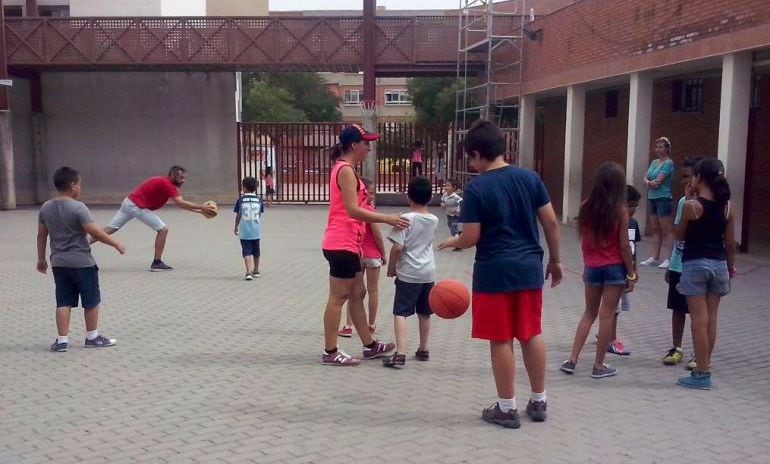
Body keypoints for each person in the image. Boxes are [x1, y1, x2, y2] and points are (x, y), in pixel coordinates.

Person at [438, 120, 563, 429]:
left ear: (478, 154)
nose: (470, 164)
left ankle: (507, 408)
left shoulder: (477, 188)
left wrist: (454, 242)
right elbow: (550, 222)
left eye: (470, 158)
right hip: (529, 267)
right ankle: (539, 400)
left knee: (501, 338)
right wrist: (556, 260)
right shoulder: (529, 178)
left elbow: (470, 237)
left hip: (494, 271)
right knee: (531, 333)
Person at [321, 123, 408, 366]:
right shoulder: (345, 170)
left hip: (349, 243)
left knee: (358, 293)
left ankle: (370, 346)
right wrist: (387, 218)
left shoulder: (346, 169)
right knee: (338, 298)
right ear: (353, 145)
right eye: (366, 143)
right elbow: (352, 210)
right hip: (341, 243)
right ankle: (330, 351)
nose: (369, 148)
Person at [37, 167, 126, 352]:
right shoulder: (78, 208)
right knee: (91, 300)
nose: (80, 188)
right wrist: (115, 243)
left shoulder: (45, 207)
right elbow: (93, 231)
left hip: (59, 262)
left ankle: (62, 341)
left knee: (63, 301)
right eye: (79, 184)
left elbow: (41, 235)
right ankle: (92, 337)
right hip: (82, 262)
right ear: (72, 185)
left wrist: (41, 258)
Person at [560, 162, 636, 380]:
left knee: (588, 313)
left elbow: (585, 241)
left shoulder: (586, 206)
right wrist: (630, 272)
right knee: (607, 315)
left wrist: (587, 265)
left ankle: (572, 359)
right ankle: (599, 365)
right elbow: (624, 245)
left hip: (592, 267)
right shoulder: (620, 210)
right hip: (613, 267)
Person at [675, 158, 735, 390]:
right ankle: (705, 364)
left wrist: (689, 199)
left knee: (699, 321)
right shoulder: (728, 206)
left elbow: (680, 235)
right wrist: (730, 268)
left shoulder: (692, 206)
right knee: (712, 319)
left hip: (695, 263)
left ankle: (701, 373)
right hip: (719, 264)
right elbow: (730, 243)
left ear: (699, 178)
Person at [98, 166, 216, 271]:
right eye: (181, 178)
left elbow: (180, 205)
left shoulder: (165, 182)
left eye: (184, 178)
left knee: (110, 229)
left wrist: (201, 211)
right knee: (163, 229)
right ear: (173, 176)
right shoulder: (167, 184)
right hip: (137, 206)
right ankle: (157, 262)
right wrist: (202, 207)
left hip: (129, 203)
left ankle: (83, 243)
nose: (183, 180)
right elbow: (181, 203)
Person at [382, 176, 438, 368]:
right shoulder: (434, 219)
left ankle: (400, 353)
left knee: (401, 312)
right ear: (430, 198)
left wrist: (391, 269)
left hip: (409, 272)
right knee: (425, 312)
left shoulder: (405, 219)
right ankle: (423, 349)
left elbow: (397, 248)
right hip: (428, 271)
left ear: (409, 197)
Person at [661, 156, 702, 367]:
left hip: (697, 265)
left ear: (698, 177)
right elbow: (678, 234)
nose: (684, 182)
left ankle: (700, 353)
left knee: (697, 312)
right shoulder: (681, 202)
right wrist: (670, 264)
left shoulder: (708, 203)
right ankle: (676, 347)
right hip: (679, 264)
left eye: (687, 177)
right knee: (678, 309)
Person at [338, 178, 387, 337]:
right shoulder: (368, 211)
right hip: (372, 254)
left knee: (354, 292)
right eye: (370, 193)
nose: (372, 196)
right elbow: (377, 235)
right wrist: (384, 254)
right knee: (373, 290)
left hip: (357, 254)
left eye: (373, 193)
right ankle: (371, 325)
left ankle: (348, 326)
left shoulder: (353, 210)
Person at [604, 185, 641, 356]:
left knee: (617, 308)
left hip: (626, 269)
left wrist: (634, 269)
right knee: (613, 308)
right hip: (615, 269)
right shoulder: (615, 221)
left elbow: (633, 249)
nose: (632, 209)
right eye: (629, 205)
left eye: (635, 206)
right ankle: (610, 339)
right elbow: (623, 247)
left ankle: (607, 333)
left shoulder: (633, 224)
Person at [641, 137, 675, 269]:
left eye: (661, 147)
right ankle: (654, 256)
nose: (658, 149)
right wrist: (649, 183)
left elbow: (658, 181)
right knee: (655, 228)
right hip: (652, 197)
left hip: (663, 197)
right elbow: (646, 178)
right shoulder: (654, 162)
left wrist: (649, 183)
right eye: (657, 147)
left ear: (667, 149)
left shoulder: (668, 163)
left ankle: (668, 258)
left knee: (666, 229)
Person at [233, 176, 265, 281]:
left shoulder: (241, 200)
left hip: (244, 231)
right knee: (256, 251)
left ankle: (248, 271)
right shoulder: (259, 200)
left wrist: (236, 226)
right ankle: (256, 269)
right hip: (255, 230)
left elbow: (238, 214)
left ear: (245, 188)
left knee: (246, 251)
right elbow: (259, 214)